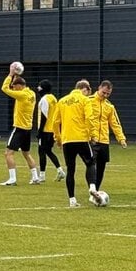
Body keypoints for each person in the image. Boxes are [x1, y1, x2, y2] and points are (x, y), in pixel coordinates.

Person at [50, 79, 98, 208]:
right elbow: (89, 118)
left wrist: (58, 139)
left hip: (67, 140)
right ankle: (93, 187)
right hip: (81, 138)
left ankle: (72, 200)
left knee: (70, 170)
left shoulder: (62, 101)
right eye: (88, 92)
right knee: (91, 162)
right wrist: (92, 134)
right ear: (85, 89)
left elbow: (55, 122)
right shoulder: (85, 100)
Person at [0, 67, 40, 185]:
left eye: (14, 86)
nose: (13, 88)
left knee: (8, 153)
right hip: (27, 128)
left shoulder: (21, 95)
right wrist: (16, 77)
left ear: (19, 86)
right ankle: (35, 177)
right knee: (26, 153)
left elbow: (4, 88)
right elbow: (18, 84)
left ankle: (12, 179)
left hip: (19, 128)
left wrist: (10, 74)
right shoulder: (31, 93)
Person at [89, 80, 127, 200]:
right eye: (103, 93)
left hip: (104, 140)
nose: (105, 95)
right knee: (91, 165)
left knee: (101, 167)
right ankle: (92, 188)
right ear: (99, 88)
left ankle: (95, 192)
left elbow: (115, 123)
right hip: (91, 139)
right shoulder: (88, 101)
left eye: (108, 94)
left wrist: (121, 138)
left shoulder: (109, 106)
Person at [35, 79, 66, 183]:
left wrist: (39, 131)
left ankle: (42, 176)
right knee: (48, 151)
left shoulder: (44, 99)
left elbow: (44, 116)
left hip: (45, 130)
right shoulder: (53, 98)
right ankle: (60, 170)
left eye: (39, 86)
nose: (38, 88)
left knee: (41, 152)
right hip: (52, 130)